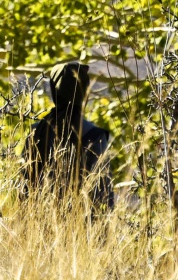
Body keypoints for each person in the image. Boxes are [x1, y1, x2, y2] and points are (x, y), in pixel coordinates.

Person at [25, 60, 113, 208]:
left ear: (54, 89)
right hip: (82, 223)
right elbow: (103, 193)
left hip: (39, 219)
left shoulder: (37, 130)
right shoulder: (95, 136)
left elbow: (24, 184)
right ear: (84, 90)